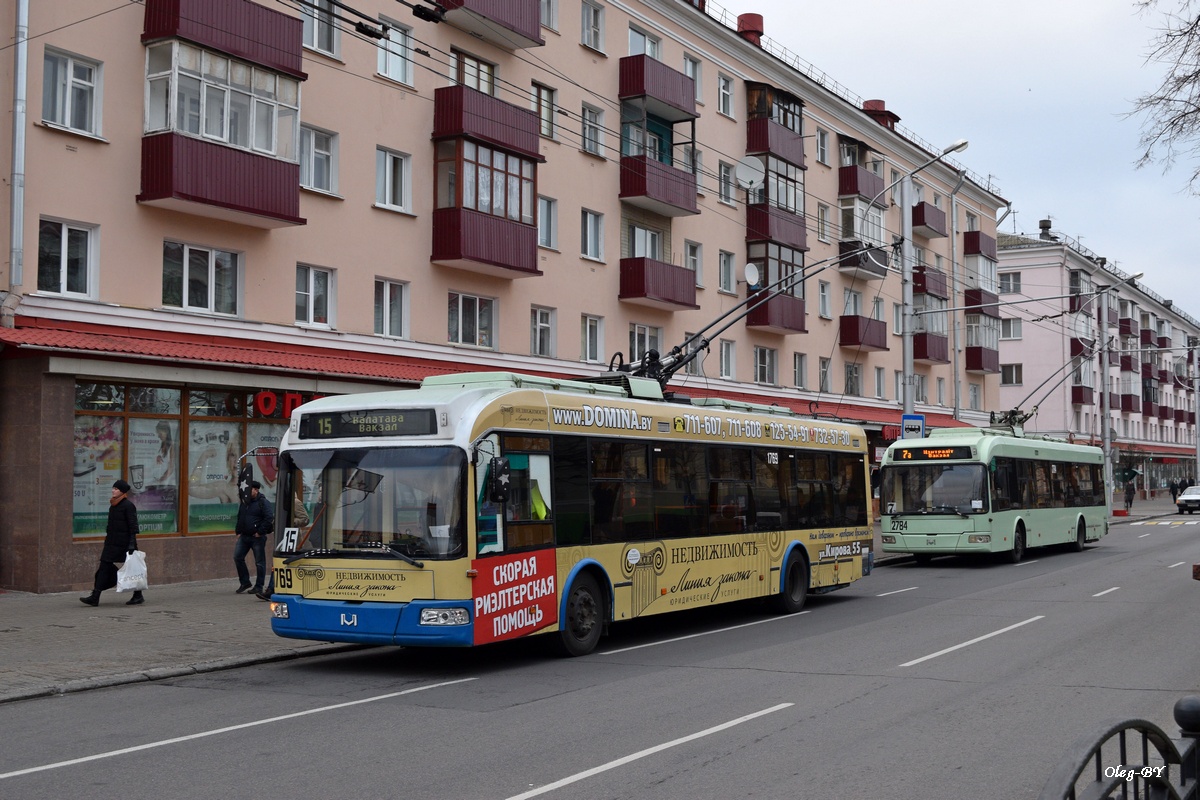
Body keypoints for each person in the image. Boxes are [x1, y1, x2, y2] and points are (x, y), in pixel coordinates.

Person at [80, 479, 143, 606]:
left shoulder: (128, 506)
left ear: (123, 492)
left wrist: (131, 544)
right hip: (112, 543)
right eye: (113, 488)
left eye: (116, 489)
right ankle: (95, 596)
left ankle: (138, 595)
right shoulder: (113, 505)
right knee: (104, 566)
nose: (113, 490)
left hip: (125, 543)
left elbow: (133, 526)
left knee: (132, 570)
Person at [234, 480, 273, 594]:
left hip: (257, 537)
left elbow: (269, 518)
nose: (246, 491)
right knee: (237, 557)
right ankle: (245, 582)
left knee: (259, 562)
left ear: (256, 490)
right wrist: (238, 531)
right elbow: (240, 516)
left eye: (249, 489)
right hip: (244, 536)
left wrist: (260, 532)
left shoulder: (263, 502)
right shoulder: (245, 502)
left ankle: (259, 586)